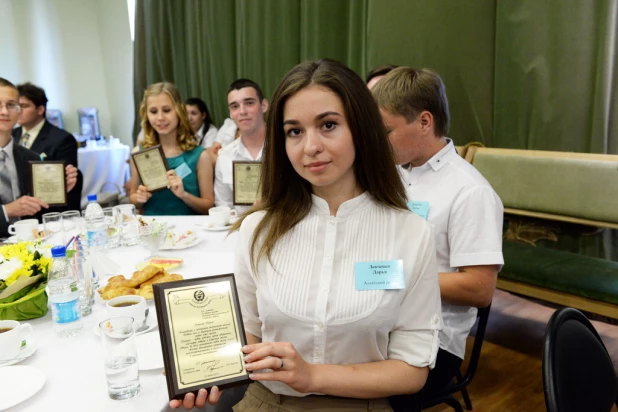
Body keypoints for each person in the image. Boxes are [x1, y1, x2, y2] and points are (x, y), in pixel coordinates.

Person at [171, 59, 442, 411]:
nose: (310, 146)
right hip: (267, 402)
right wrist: (204, 370)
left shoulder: (411, 233)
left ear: (361, 128)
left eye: (328, 125)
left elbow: (411, 370)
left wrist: (313, 375)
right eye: (294, 131)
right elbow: (248, 335)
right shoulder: (257, 230)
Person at [372, 68, 504, 410]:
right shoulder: (399, 173)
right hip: (383, 315)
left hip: (434, 339)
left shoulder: (469, 191)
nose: (377, 140)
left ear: (424, 122)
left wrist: (390, 276)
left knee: (345, 388)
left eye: (385, 131)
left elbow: (479, 288)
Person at [0, 78, 78, 236]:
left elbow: (41, 212)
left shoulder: (29, 157)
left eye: (10, 105)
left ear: (18, 110)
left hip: (28, 246)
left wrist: (59, 191)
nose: (4, 111)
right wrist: (6, 211)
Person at [129, 82, 215, 215]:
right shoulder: (139, 153)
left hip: (190, 233)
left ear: (179, 111)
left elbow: (209, 207)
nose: (160, 118)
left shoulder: (200, 156)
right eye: (153, 111)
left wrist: (183, 195)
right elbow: (133, 198)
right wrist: (139, 198)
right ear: (146, 115)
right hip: (153, 230)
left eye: (167, 110)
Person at [11, 82, 83, 212]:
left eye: (24, 106)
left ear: (40, 109)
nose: (19, 111)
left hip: (47, 209)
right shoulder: (11, 135)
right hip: (16, 206)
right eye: (16, 106)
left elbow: (62, 184)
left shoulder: (61, 139)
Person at [214, 79, 268, 214]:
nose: (242, 111)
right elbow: (223, 207)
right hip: (241, 228)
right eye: (235, 106)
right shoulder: (224, 157)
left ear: (264, 105)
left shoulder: (286, 148)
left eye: (249, 103)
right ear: (230, 113)